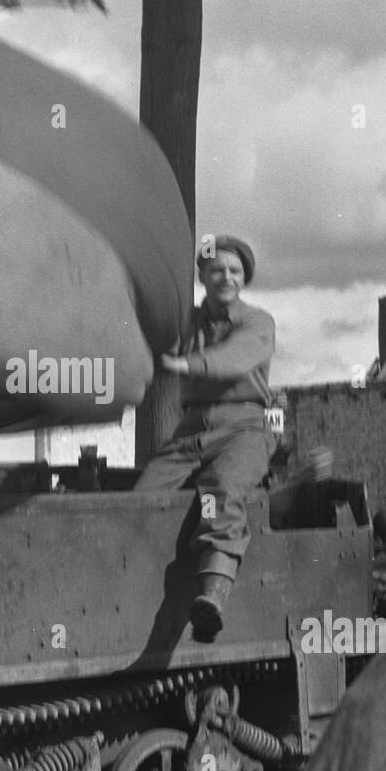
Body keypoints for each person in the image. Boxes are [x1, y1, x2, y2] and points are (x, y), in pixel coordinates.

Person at [136, 235, 275, 641]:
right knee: (139, 499)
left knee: (225, 489)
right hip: (192, 429)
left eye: (234, 270)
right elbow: (153, 340)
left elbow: (236, 359)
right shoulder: (187, 322)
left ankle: (212, 596)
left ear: (244, 278)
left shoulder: (258, 322)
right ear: (203, 276)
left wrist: (184, 363)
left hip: (243, 427)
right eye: (216, 270)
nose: (225, 277)